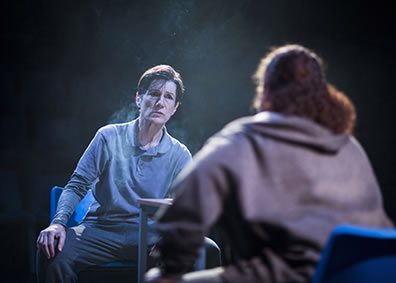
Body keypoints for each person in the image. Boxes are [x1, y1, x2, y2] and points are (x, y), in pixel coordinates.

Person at [145, 45, 394, 283]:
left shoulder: (242, 140)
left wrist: (170, 267)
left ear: (265, 92)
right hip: (374, 272)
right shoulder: (349, 147)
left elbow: (185, 212)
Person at [36, 64, 192, 283]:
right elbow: (77, 184)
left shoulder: (179, 154)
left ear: (174, 108)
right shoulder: (108, 136)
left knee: (200, 251)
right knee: (52, 252)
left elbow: (185, 206)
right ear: (139, 99)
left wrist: (171, 236)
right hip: (101, 230)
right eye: (154, 94)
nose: (160, 102)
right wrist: (58, 222)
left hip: (149, 236)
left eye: (168, 97)